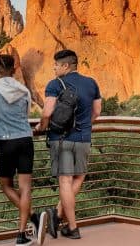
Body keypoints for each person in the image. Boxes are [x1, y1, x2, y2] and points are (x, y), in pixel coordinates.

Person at [0, 54, 42, 245]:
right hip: (25, 140)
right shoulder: (24, 90)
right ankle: (22, 235)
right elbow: (26, 114)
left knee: (6, 185)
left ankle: (33, 217)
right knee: (26, 187)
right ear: (14, 70)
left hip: (6, 143)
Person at [37, 49, 101, 240]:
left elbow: (47, 112)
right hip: (84, 139)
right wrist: (84, 127)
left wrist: (41, 126)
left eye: (56, 65)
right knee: (78, 178)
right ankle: (57, 215)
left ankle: (72, 227)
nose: (53, 68)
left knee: (65, 181)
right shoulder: (91, 83)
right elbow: (97, 111)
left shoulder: (55, 84)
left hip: (62, 139)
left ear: (65, 66)